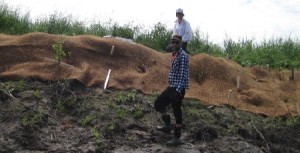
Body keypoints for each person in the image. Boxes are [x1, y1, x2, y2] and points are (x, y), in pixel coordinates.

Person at [154, 35, 189, 145]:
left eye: (176, 42)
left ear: (180, 43)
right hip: (171, 87)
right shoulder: (174, 54)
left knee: (177, 112)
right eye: (173, 42)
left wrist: (178, 91)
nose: (174, 44)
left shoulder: (183, 56)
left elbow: (183, 75)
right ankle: (167, 125)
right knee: (158, 104)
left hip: (177, 89)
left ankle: (177, 138)